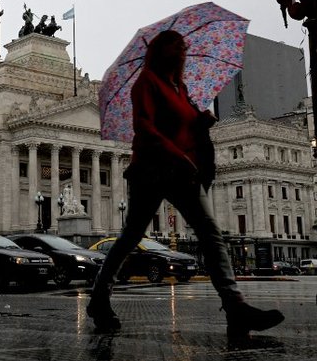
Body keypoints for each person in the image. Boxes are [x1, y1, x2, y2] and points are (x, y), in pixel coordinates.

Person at [87, 30, 284, 339]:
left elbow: (185, 125)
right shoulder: (146, 83)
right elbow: (144, 128)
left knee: (211, 235)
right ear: (163, 52)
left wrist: (201, 121)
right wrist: (177, 154)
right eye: (179, 48)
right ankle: (99, 296)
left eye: (185, 48)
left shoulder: (180, 88)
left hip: (183, 172)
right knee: (130, 237)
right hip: (153, 170)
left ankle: (235, 308)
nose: (184, 54)